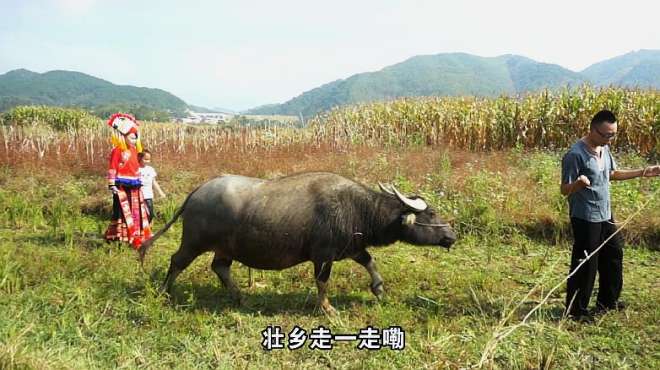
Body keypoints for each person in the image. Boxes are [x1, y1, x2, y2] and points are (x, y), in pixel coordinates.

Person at [560, 109, 659, 320]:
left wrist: (643, 172)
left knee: (613, 255)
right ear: (591, 129)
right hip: (585, 216)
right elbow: (564, 189)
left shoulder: (604, 149)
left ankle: (608, 302)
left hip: (604, 213)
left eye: (612, 135)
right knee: (587, 262)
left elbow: (611, 173)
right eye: (605, 135)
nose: (608, 139)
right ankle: (576, 311)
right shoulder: (575, 154)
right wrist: (577, 184)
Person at [104, 113, 152, 249]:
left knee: (135, 211)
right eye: (132, 137)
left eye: (136, 137)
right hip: (121, 186)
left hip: (135, 185)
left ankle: (135, 236)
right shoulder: (118, 150)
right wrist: (112, 184)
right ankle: (119, 236)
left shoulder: (134, 150)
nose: (135, 139)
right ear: (123, 136)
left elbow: (136, 167)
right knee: (122, 212)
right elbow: (112, 167)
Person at [138, 149, 166, 223]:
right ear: (140, 158)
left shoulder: (150, 169)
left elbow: (154, 182)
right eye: (145, 159)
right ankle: (141, 231)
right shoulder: (136, 169)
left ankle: (147, 230)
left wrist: (160, 192)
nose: (148, 161)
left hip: (148, 195)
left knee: (150, 214)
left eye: (149, 159)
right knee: (140, 215)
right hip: (139, 196)